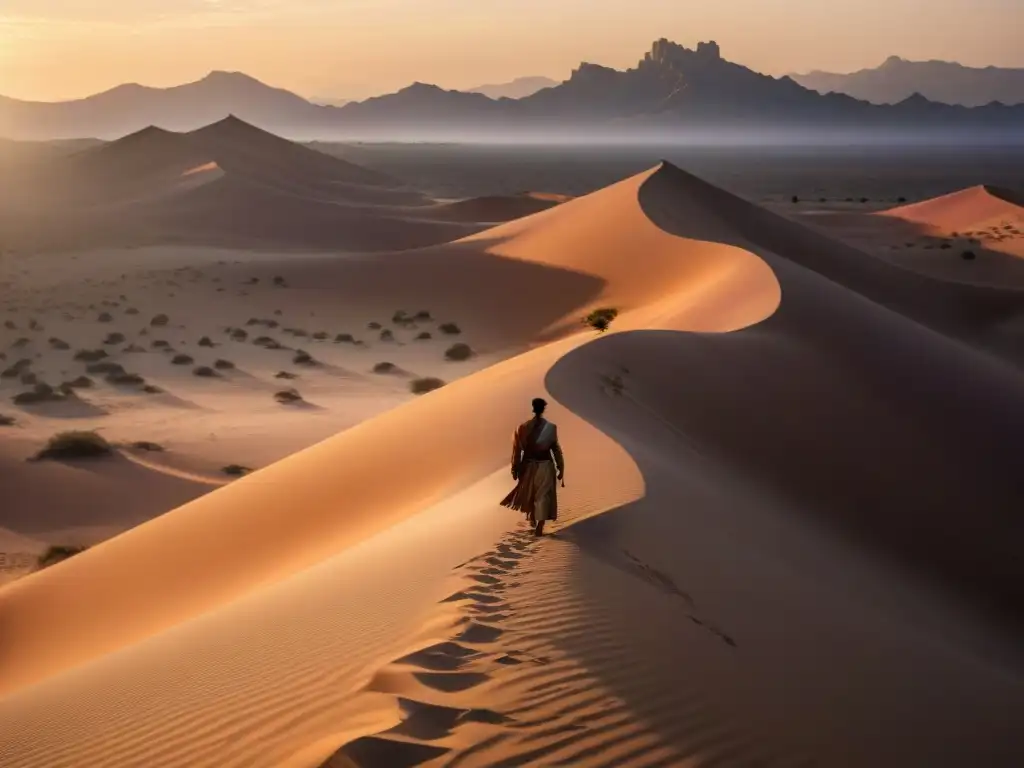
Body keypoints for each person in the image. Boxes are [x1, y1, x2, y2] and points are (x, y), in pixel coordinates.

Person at [500, 397, 565, 536]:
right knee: (543, 497)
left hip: (528, 466)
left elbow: (517, 451)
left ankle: (534, 520)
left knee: (531, 494)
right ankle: (539, 527)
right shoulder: (551, 428)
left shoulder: (522, 428)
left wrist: (515, 468)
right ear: (544, 409)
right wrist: (561, 467)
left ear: (533, 408)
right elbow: (556, 449)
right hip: (546, 466)